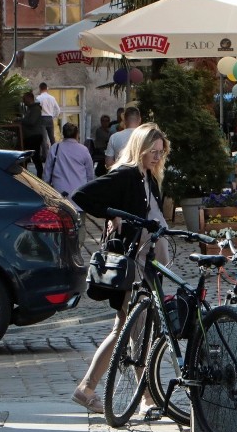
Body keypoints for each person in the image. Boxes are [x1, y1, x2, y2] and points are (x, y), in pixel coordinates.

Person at [70, 123, 172, 415]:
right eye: (152, 151)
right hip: (132, 265)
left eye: (160, 152)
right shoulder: (126, 174)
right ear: (139, 148)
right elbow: (83, 195)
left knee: (128, 329)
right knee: (134, 330)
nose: (156, 157)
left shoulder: (148, 178)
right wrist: (112, 214)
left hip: (148, 264)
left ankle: (89, 388)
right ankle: (146, 398)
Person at [43, 123, 95, 198]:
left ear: (63, 134)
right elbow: (90, 175)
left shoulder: (55, 148)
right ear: (77, 134)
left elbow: (46, 174)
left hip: (59, 193)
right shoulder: (83, 150)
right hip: (78, 193)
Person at [19, 92, 46, 178]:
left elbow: (31, 122)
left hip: (34, 136)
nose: (23, 101)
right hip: (30, 136)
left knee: (35, 157)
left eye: (24, 99)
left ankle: (39, 176)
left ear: (29, 98)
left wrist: (21, 120)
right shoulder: (30, 109)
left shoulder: (35, 109)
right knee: (29, 157)